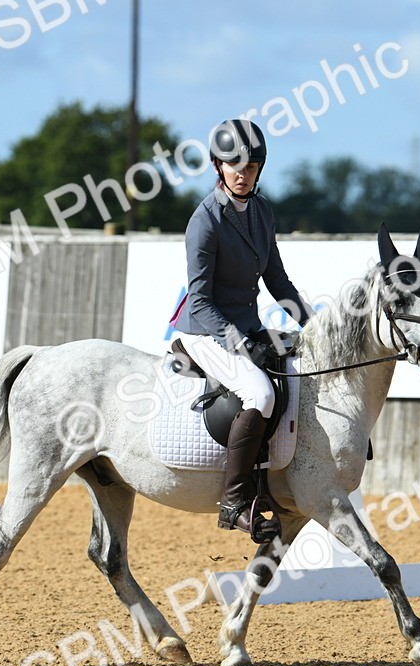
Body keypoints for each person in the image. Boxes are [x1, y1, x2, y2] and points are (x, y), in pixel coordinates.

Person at [170, 119, 313, 540]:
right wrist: (243, 345)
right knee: (260, 394)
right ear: (218, 166)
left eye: (251, 167)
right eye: (234, 166)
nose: (242, 174)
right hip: (205, 330)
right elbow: (199, 300)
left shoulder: (262, 212)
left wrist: (313, 324)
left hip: (247, 325)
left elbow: (277, 282)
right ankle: (234, 503)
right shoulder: (205, 220)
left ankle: (276, 480)